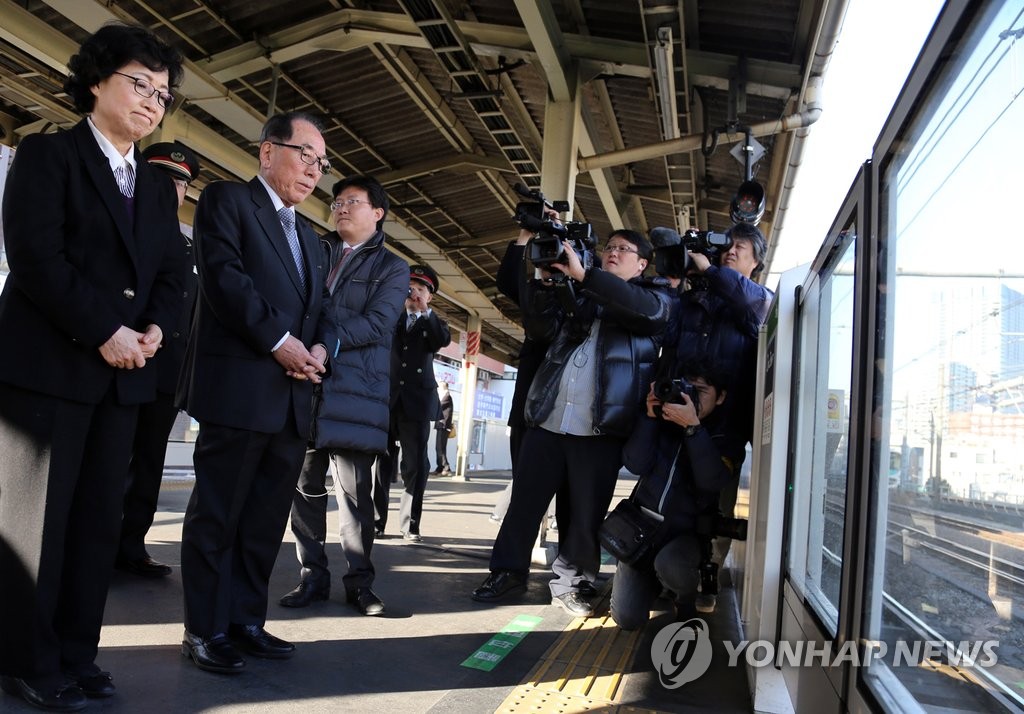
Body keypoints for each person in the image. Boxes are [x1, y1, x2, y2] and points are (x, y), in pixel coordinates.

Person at [0, 23, 186, 710]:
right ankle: (26, 660)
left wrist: (157, 328)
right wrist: (107, 330)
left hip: (122, 381)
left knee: (94, 529)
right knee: (35, 532)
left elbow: (172, 272)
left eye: (162, 94)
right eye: (140, 83)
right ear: (98, 80)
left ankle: (77, 655)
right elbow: (36, 260)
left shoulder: (160, 190)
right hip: (48, 375)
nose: (151, 101)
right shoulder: (47, 156)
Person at [177, 111, 330, 674]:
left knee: (264, 520)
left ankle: (244, 620)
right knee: (218, 514)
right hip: (241, 391)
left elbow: (321, 311)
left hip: (293, 399)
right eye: (305, 155)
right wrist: (281, 342)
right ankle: (204, 628)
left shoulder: (313, 239)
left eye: (321, 162)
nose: (314, 170)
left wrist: (317, 349)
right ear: (268, 153)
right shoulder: (227, 202)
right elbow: (224, 279)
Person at [472, 230, 673, 617]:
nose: (612, 253)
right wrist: (546, 281)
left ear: (643, 264)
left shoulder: (656, 299)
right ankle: (507, 571)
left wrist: (585, 278)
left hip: (601, 429)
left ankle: (572, 583)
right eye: (608, 247)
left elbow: (645, 313)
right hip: (549, 418)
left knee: (583, 514)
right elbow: (540, 328)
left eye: (622, 249)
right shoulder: (580, 291)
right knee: (524, 505)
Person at [279, 175, 409, 617]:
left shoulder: (392, 267)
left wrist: (322, 343)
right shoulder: (312, 249)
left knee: (355, 497)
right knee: (305, 489)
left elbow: (378, 322)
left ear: (378, 212)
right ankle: (311, 576)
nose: (341, 208)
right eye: (336, 202)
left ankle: (360, 583)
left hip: (355, 393)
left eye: (352, 201)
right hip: (305, 384)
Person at [660, 221, 773, 611]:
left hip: (726, 425)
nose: (731, 250)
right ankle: (664, 569)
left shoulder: (756, 301)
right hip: (677, 413)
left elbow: (757, 306)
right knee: (670, 491)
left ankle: (708, 573)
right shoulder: (694, 301)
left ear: (756, 263)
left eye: (742, 247)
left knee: (717, 505)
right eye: (727, 243)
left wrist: (709, 269)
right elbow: (670, 350)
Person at [115, 140, 200, 579]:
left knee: (148, 463)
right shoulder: (124, 227)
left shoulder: (188, 248)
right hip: (120, 362)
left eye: (181, 183)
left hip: (167, 373)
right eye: (162, 178)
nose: (172, 189)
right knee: (110, 460)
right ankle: (97, 546)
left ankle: (131, 547)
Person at [610, 360, 734, 630]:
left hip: (685, 536)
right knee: (628, 619)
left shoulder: (725, 436)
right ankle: (651, 580)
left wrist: (693, 429)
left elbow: (711, 480)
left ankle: (685, 598)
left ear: (721, 397)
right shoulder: (662, 422)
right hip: (640, 531)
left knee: (671, 565)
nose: (691, 397)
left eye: (700, 391)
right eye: (686, 388)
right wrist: (649, 417)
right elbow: (634, 464)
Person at [373, 265, 451, 541]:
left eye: (421, 289)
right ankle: (376, 522)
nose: (414, 293)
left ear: (430, 296)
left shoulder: (435, 323)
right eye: (410, 288)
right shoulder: (391, 316)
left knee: (415, 465)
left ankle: (410, 525)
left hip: (416, 403)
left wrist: (424, 313)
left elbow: (440, 341)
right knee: (380, 464)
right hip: (387, 399)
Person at [433, 380, 454, 476]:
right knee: (438, 447)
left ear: (443, 387)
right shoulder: (445, 396)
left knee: (440, 447)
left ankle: (446, 467)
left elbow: (438, 406)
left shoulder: (447, 397)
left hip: (443, 426)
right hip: (441, 426)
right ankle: (440, 467)